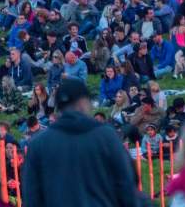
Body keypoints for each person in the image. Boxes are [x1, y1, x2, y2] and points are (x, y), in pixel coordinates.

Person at [22, 78, 140, 206]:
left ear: (58, 107)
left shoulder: (38, 144)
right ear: (85, 103)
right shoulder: (106, 137)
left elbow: (31, 197)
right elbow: (127, 186)